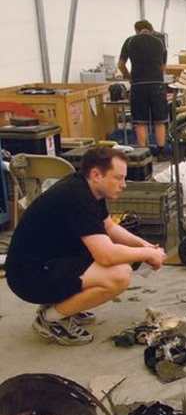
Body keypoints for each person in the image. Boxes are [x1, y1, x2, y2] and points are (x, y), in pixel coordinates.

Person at [4, 147, 166, 346]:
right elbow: (106, 256)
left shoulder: (87, 189)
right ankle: (50, 318)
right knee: (119, 275)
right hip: (28, 277)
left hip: (49, 261)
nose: (123, 185)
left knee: (120, 260)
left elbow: (109, 226)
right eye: (118, 178)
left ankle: (67, 306)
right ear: (96, 175)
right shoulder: (77, 197)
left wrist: (147, 246)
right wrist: (147, 254)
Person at [118, 20, 168, 154]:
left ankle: (143, 152)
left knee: (140, 121)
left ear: (136, 30)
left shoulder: (129, 41)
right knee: (160, 120)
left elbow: (121, 64)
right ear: (151, 29)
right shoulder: (160, 42)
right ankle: (161, 151)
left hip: (138, 85)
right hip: (156, 84)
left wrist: (129, 77)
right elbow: (163, 67)